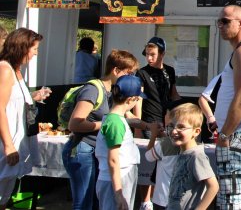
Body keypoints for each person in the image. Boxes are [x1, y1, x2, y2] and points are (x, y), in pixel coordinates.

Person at [199, 4, 241, 209]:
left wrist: (225, 134)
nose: (220, 25)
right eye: (219, 21)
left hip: (237, 135)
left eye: (225, 21)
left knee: (231, 199)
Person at [62, 49, 144, 210]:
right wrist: (106, 124)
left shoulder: (113, 91)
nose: (131, 77)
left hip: (95, 150)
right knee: (84, 203)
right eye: (129, 73)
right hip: (82, 149)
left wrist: (148, 126)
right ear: (116, 70)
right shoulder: (93, 90)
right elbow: (74, 124)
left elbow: (125, 116)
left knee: (94, 202)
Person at [0, 28, 49, 209]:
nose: (36, 53)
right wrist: (8, 145)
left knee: (5, 195)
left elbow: (14, 100)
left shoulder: (16, 70)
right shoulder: (5, 69)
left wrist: (34, 96)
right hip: (6, 143)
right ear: (22, 47)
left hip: (17, 140)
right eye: (34, 49)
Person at [134, 36, 181, 210]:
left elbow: (174, 94)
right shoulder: (142, 73)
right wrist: (138, 126)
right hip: (149, 122)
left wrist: (184, 110)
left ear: (162, 54)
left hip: (167, 122)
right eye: (147, 54)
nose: (149, 58)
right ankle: (145, 202)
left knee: (164, 161)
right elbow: (138, 100)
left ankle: (157, 198)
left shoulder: (170, 71)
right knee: (148, 162)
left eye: (152, 54)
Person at [95, 75, 147, 210]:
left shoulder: (116, 119)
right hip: (117, 180)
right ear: (130, 100)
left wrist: (148, 126)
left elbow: (130, 121)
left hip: (121, 177)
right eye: (138, 99)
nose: (137, 102)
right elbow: (113, 159)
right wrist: (118, 193)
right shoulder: (115, 123)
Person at [166, 103, 219, 210]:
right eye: (171, 126)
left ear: (196, 131)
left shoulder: (197, 156)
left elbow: (213, 186)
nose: (174, 131)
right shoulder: (184, 153)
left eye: (181, 127)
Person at [144, 102, 182, 210]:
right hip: (180, 199)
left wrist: (153, 135)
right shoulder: (189, 144)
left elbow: (148, 156)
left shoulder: (164, 144)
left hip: (162, 198)